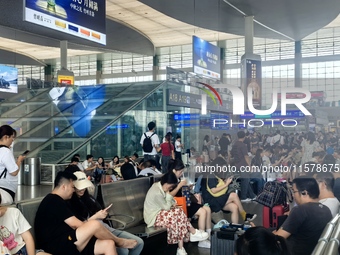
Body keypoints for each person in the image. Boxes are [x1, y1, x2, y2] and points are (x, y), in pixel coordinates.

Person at [35, 171, 119, 255]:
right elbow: (76, 224)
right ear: (64, 187)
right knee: (94, 225)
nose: (73, 190)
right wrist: (93, 230)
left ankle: (118, 241)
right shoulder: (53, 200)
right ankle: (120, 242)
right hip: (56, 245)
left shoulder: (60, 201)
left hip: (68, 241)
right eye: (72, 187)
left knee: (109, 244)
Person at [68, 171, 144, 255]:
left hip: (106, 228)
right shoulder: (70, 204)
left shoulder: (88, 198)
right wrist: (96, 216)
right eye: (79, 187)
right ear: (73, 187)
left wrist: (102, 214)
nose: (82, 189)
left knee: (139, 243)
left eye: (84, 186)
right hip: (95, 234)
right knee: (123, 251)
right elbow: (81, 227)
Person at [143, 172, 209, 255]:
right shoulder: (157, 192)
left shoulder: (158, 186)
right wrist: (168, 196)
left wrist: (171, 202)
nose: (170, 189)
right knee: (177, 214)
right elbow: (167, 206)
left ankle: (182, 247)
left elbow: (168, 204)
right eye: (170, 187)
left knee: (178, 213)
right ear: (166, 183)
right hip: (153, 218)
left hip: (160, 213)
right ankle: (190, 235)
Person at [274, 177, 332, 255]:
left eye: (294, 192)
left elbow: (278, 238)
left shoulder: (300, 210)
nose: (293, 196)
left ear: (304, 193)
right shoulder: (326, 210)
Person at [168, 159, 212, 249]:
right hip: (178, 205)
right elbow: (169, 195)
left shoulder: (177, 179)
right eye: (180, 172)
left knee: (207, 209)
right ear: (174, 170)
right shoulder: (169, 180)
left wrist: (187, 187)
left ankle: (207, 235)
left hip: (184, 202)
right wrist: (180, 186)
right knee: (203, 212)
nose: (181, 174)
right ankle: (201, 240)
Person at [0, 125, 26, 204]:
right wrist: (19, 160)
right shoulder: (5, 151)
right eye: (12, 137)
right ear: (6, 137)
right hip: (5, 190)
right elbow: (14, 172)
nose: (12, 140)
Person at [230, 131, 256, 201]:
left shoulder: (234, 144)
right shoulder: (243, 145)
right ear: (244, 137)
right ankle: (243, 197)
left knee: (246, 180)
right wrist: (249, 166)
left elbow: (231, 154)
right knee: (245, 180)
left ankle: (252, 196)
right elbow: (246, 156)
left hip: (236, 165)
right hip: (243, 165)